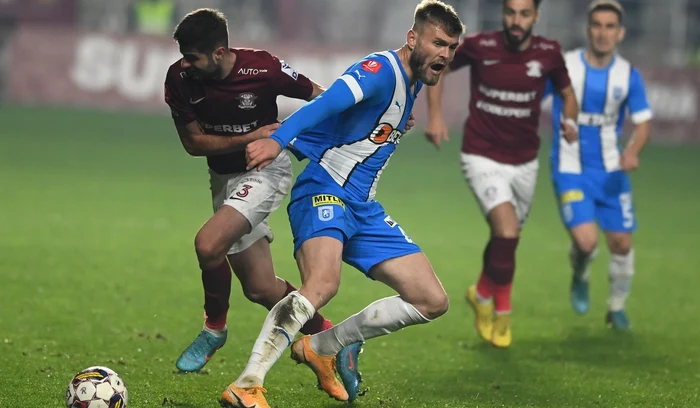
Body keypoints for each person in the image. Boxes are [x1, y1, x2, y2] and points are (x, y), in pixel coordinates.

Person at [218, 2, 464, 407]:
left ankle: (325, 345)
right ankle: (248, 382)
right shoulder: (380, 70)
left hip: (363, 208)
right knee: (323, 284)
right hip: (323, 191)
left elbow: (364, 123)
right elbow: (327, 103)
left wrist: (400, 119)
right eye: (438, 43)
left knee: (432, 300)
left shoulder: (414, 78)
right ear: (412, 38)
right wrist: (278, 140)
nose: (445, 54)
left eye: (452, 48)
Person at [162, 8, 362, 393]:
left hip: (265, 171)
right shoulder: (181, 79)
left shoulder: (264, 69)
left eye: (193, 57)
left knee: (208, 244)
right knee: (261, 288)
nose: (185, 63)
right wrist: (252, 135)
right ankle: (338, 338)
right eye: (183, 55)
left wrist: (381, 114)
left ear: (219, 52)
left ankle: (213, 329)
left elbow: (323, 95)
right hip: (224, 178)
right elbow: (193, 144)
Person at [424, 0, 579, 348]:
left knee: (505, 238)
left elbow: (568, 95)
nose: (516, 20)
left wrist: (569, 120)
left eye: (525, 13)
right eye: (511, 12)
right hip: (481, 154)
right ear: (504, 14)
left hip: (525, 160)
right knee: (507, 230)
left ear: (536, 16)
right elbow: (439, 67)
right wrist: (435, 115)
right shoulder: (481, 47)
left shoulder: (549, 53)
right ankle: (503, 312)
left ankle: (480, 294)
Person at [547, 0, 652, 330]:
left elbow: (642, 123)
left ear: (620, 33)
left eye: (610, 27)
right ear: (588, 29)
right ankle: (580, 275)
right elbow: (531, 94)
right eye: (597, 25)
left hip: (611, 172)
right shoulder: (565, 67)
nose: (603, 33)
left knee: (621, 243)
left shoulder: (627, 75)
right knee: (586, 242)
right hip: (569, 168)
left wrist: (633, 149)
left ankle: (616, 308)